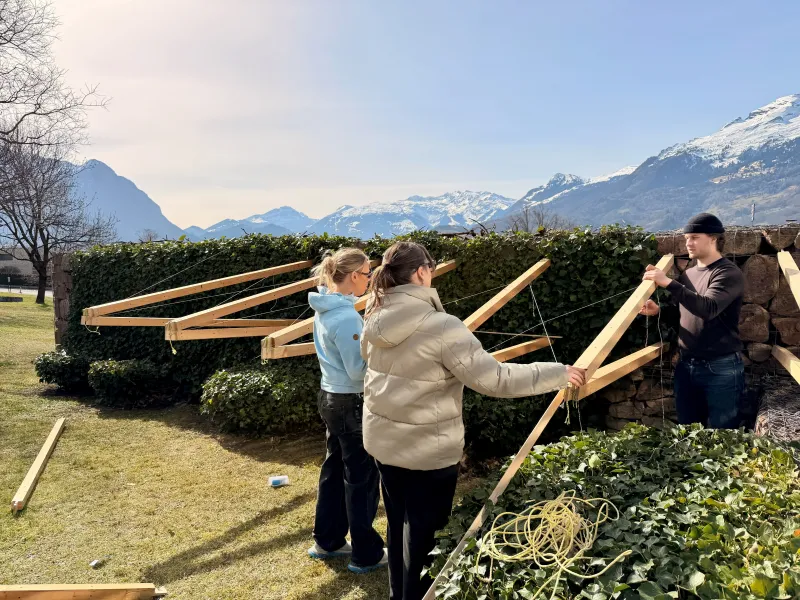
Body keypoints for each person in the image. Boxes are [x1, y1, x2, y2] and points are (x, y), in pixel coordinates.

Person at [360, 241, 586, 600]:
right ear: (422, 272)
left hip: (382, 443)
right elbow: (494, 379)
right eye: (430, 269)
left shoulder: (374, 316)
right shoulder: (440, 325)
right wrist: (558, 372)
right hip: (426, 454)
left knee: (399, 522)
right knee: (425, 537)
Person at [306, 248, 387, 574]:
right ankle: (366, 554)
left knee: (333, 472)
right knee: (362, 478)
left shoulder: (325, 308)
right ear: (353, 275)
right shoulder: (345, 317)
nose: (369, 280)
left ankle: (327, 541)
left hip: (330, 398)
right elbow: (358, 372)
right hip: (351, 403)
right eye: (368, 274)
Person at [640, 212, 745, 428]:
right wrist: (659, 311)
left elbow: (708, 308)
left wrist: (668, 282)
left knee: (723, 436)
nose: (688, 242)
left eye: (695, 237)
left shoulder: (727, 273)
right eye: (687, 237)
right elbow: (685, 314)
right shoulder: (689, 274)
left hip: (720, 368)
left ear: (714, 238)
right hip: (686, 365)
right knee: (688, 432)